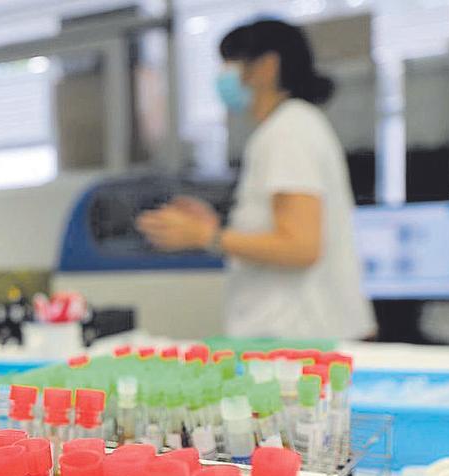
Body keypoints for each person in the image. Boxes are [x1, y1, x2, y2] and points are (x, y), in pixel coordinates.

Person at [137, 19, 375, 340]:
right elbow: (282, 229)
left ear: (266, 66)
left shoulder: (288, 132)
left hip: (301, 340)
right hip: (299, 337)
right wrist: (217, 227)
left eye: (230, 64)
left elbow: (301, 246)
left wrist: (207, 235)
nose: (223, 76)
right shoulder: (287, 127)